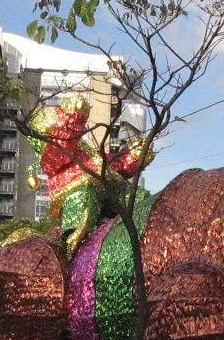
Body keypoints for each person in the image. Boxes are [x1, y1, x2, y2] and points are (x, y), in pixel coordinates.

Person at [26, 94, 152, 258]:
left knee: (139, 196)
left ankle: (144, 233)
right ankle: (73, 238)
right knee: (83, 198)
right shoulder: (50, 153)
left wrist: (134, 155)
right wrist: (73, 117)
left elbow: (113, 165)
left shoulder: (86, 150)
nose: (57, 113)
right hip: (78, 186)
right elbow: (60, 150)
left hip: (110, 186)